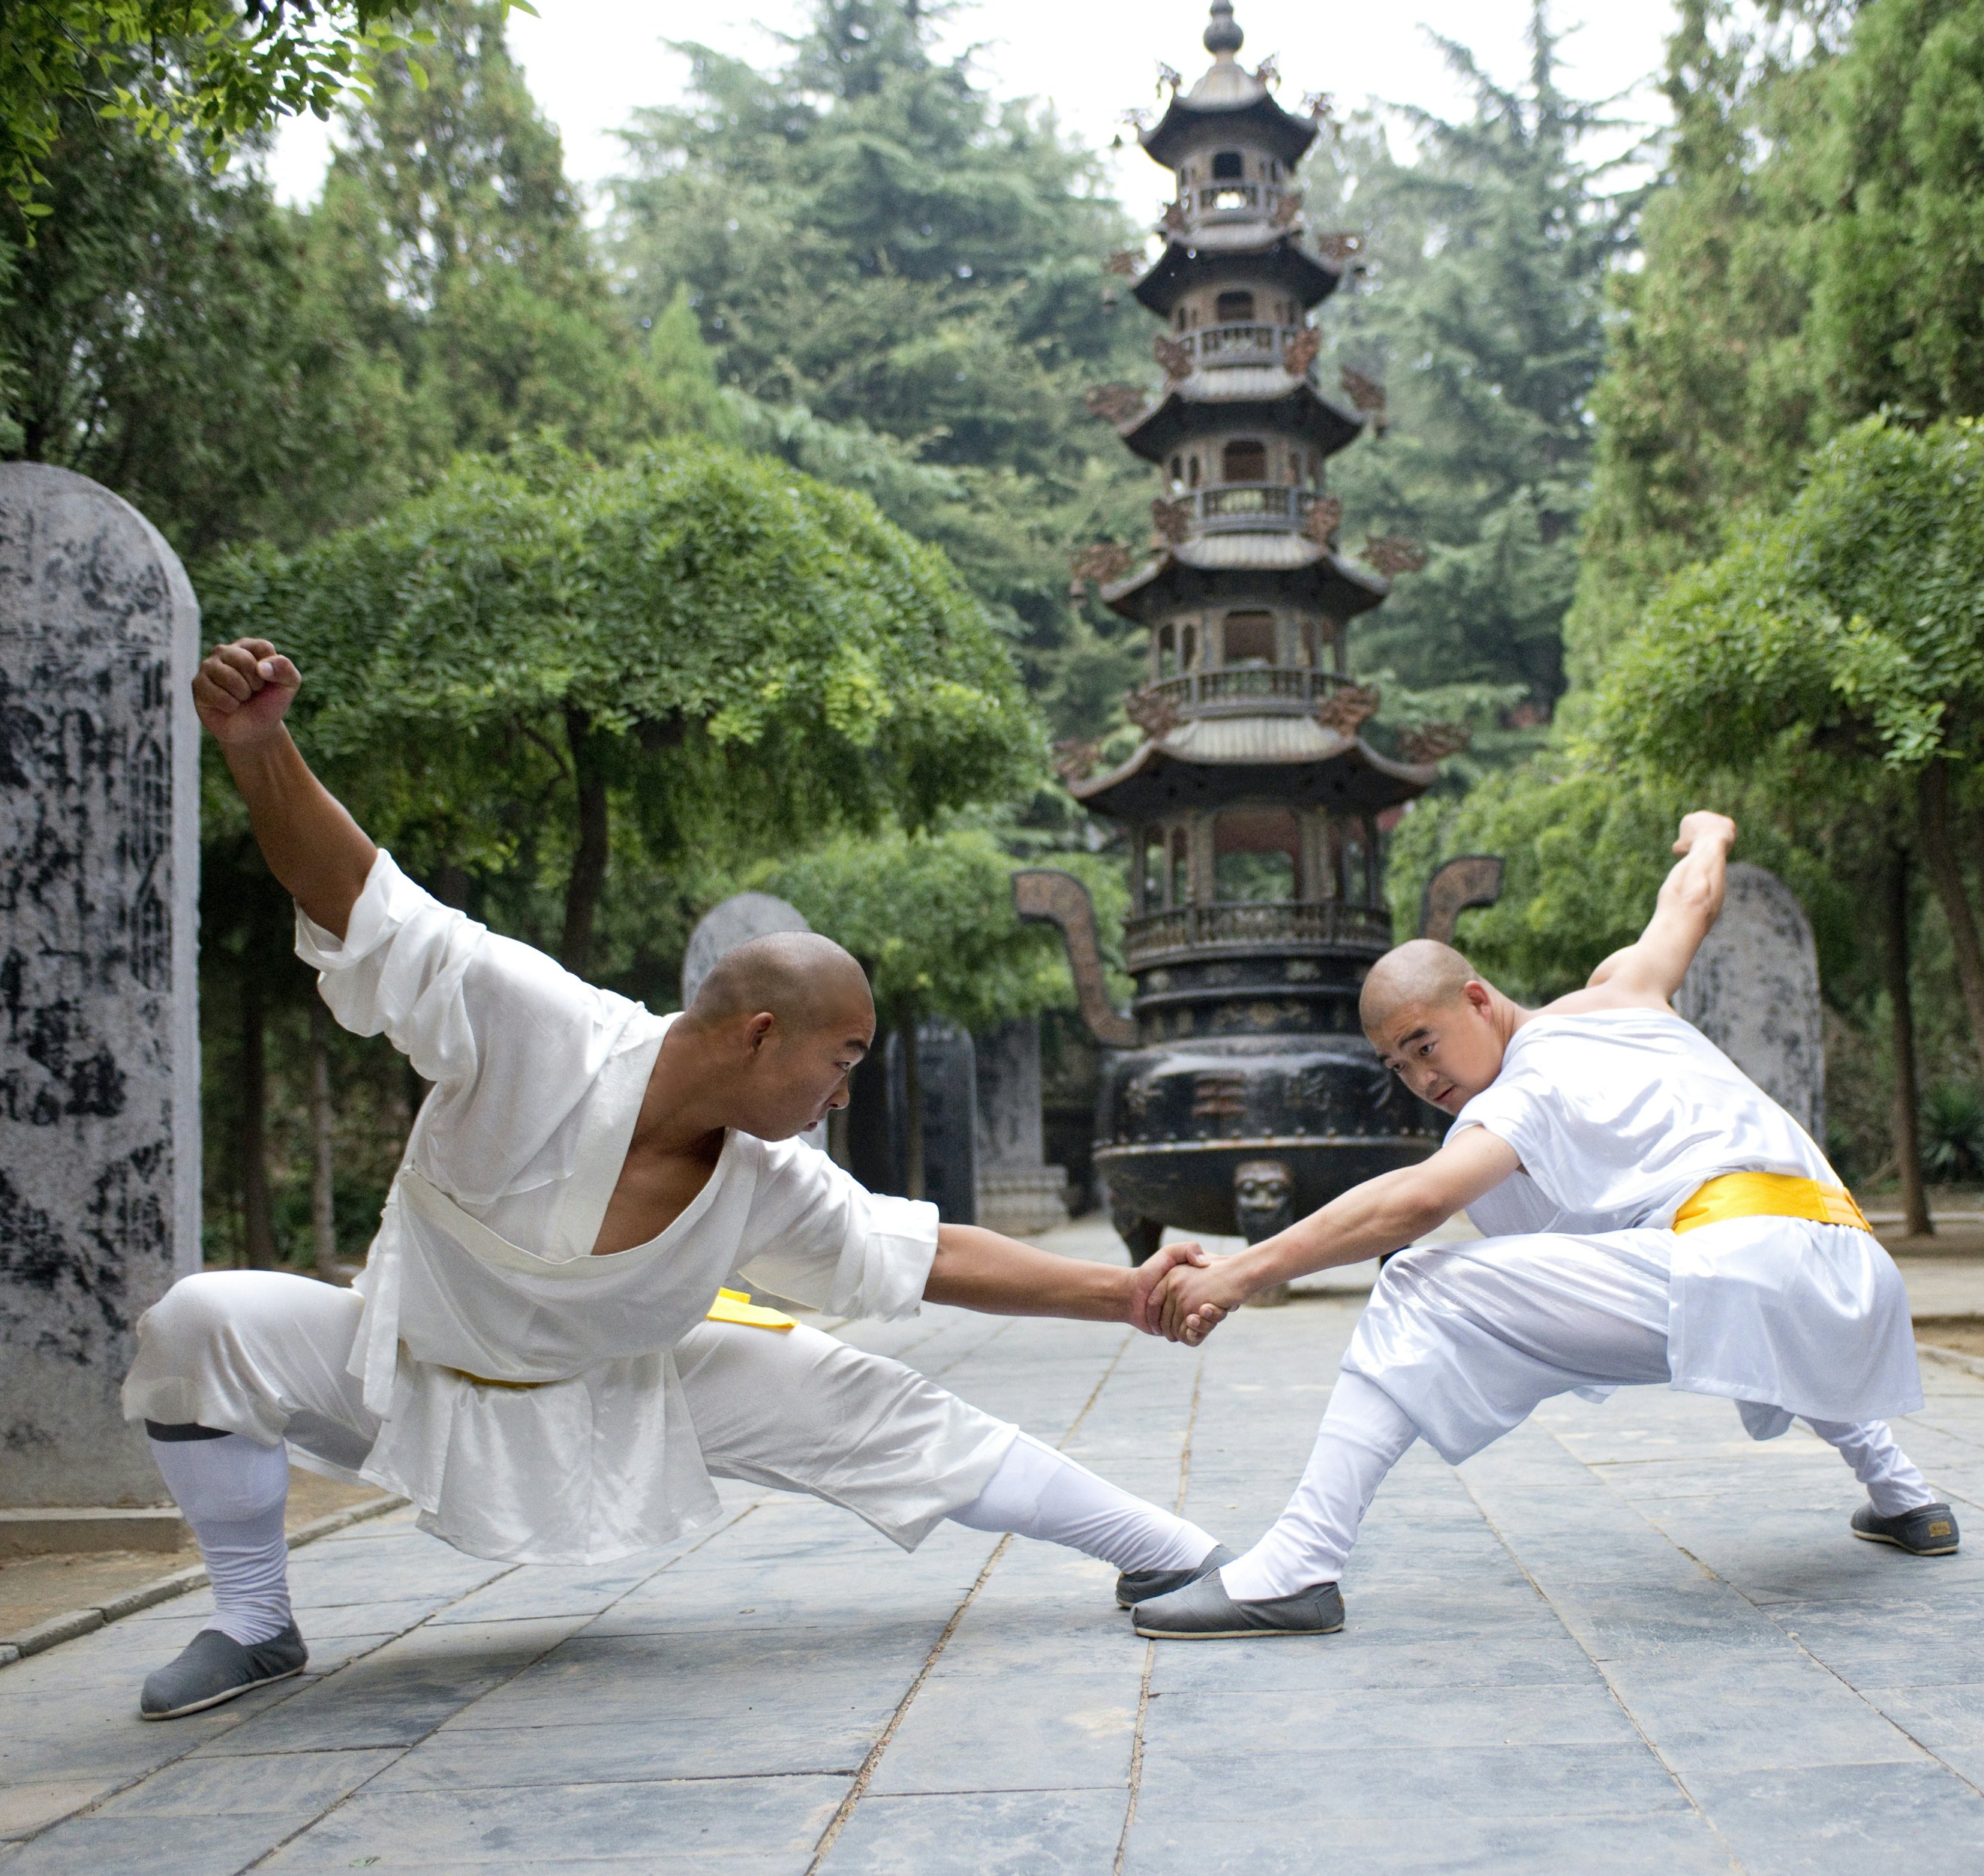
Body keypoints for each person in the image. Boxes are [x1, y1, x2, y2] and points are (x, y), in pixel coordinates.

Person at [124, 639, 1225, 1719]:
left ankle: (1169, 1548)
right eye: (841, 1062)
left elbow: (922, 1253)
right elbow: (364, 900)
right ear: (758, 1033)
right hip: (402, 1369)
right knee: (200, 1321)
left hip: (626, 1391)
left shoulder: (765, 1176)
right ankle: (254, 1621)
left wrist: (1125, 1294)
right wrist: (259, 748)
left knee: (873, 1402)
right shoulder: (535, 1021)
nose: (844, 1095)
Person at [1132, 811, 1954, 1640]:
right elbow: (1691, 902)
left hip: (1742, 1260)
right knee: (1755, 1294)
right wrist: (1711, 836)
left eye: (1425, 1045)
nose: (1422, 1079)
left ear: (1477, 999)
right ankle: (1906, 1497)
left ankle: (1295, 1568)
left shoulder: (1522, 1092)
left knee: (1416, 1284)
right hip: (1852, 1269)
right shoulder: (1625, 993)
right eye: (1398, 1065)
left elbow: (1415, 1203)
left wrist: (1239, 1271)